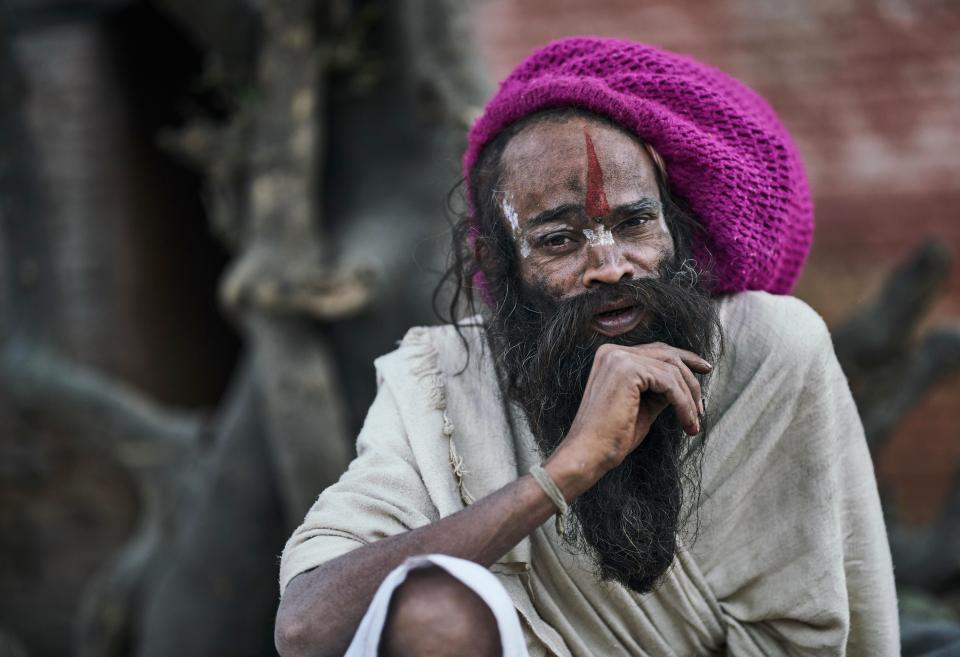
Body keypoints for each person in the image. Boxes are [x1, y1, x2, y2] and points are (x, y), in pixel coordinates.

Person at [274, 37, 899, 657]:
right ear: (498, 262)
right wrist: (566, 470)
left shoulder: (768, 346)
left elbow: (835, 617)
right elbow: (307, 627)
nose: (611, 266)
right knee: (434, 610)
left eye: (634, 224)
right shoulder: (443, 378)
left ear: (675, 228)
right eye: (559, 240)